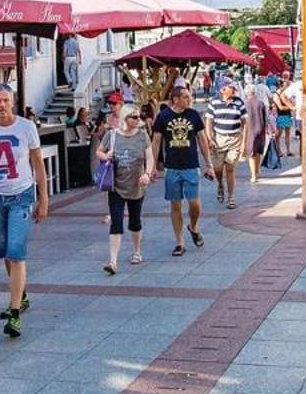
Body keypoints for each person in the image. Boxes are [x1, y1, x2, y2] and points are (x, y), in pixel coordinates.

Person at [0, 83, 47, 337]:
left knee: (16, 252)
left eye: (5, 100)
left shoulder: (26, 127)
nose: (1, 105)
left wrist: (43, 199)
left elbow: (38, 165)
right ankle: (21, 294)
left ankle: (14, 313)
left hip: (21, 195)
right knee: (3, 250)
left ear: (12, 102)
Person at [152, 84, 207, 253]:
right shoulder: (163, 116)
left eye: (189, 97)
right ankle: (179, 242)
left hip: (191, 165)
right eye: (185, 97)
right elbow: (156, 142)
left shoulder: (193, 115)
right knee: (175, 205)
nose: (189, 99)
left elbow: (202, 140)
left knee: (194, 203)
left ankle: (194, 227)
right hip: (172, 167)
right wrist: (152, 166)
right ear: (176, 99)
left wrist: (209, 164)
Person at [98, 104, 153, 273]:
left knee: (135, 221)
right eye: (134, 117)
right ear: (124, 118)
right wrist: (105, 155)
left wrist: (148, 174)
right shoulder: (112, 135)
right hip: (116, 185)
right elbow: (99, 151)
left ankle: (136, 251)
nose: (138, 120)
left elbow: (149, 157)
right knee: (116, 221)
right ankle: (113, 261)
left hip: (137, 185)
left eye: (139, 117)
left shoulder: (143, 136)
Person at [207, 78, 250, 209]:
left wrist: (243, 143)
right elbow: (209, 122)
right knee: (218, 169)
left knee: (230, 167)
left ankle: (231, 197)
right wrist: (210, 138)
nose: (234, 89)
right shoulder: (214, 102)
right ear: (222, 89)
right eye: (231, 87)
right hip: (219, 140)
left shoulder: (239, 102)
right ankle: (220, 183)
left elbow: (245, 123)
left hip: (234, 139)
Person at [244, 75, 275, 180]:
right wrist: (267, 129)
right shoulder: (261, 103)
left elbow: (242, 119)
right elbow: (265, 117)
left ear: (247, 92)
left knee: (251, 153)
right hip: (260, 129)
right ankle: (257, 171)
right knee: (258, 151)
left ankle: (253, 175)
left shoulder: (245, 104)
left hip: (250, 130)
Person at [275, 75, 299, 159]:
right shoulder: (277, 95)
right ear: (281, 85)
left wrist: (292, 104)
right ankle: (278, 151)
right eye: (286, 85)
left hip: (288, 115)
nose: (287, 87)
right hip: (281, 116)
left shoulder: (286, 94)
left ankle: (288, 151)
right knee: (278, 134)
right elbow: (280, 107)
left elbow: (292, 102)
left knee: (288, 134)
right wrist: (292, 107)